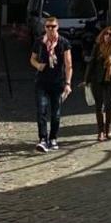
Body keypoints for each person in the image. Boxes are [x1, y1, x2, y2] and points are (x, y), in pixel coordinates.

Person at [29, 16, 72, 152]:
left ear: (57, 27)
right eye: (48, 26)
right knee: (41, 110)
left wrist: (68, 83)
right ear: (45, 28)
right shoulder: (39, 42)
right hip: (41, 82)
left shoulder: (63, 43)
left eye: (53, 26)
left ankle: (53, 138)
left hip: (57, 82)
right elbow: (32, 59)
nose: (50, 29)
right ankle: (43, 139)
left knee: (56, 113)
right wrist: (38, 65)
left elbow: (68, 64)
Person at [84, 25, 111, 141]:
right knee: (99, 106)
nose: (107, 36)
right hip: (97, 79)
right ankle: (100, 131)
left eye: (110, 35)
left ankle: (108, 128)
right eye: (106, 34)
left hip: (110, 79)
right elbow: (91, 63)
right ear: (103, 35)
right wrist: (86, 79)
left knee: (109, 105)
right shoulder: (97, 47)